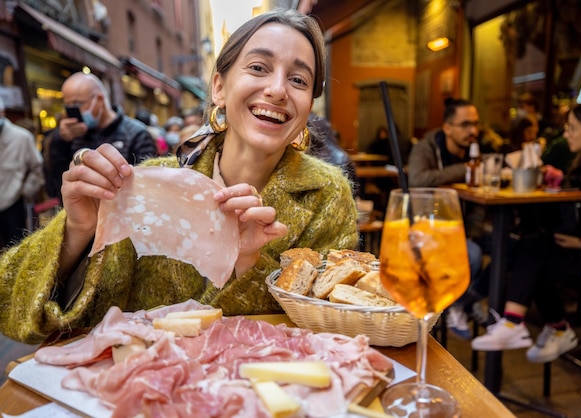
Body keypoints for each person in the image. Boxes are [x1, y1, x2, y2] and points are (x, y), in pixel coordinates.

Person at [0, 9, 358, 344]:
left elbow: (328, 335)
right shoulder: (143, 187)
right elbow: (8, 302)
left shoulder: (326, 195)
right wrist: (78, 234)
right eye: (259, 67)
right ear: (219, 87)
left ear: (308, 104)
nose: (278, 90)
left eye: (298, 79)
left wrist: (248, 266)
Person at [472, 96, 581, 363]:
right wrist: (553, 178)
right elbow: (579, 192)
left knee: (533, 257)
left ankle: (538, 326)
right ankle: (527, 325)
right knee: (529, 247)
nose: (566, 133)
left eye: (572, 128)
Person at [407, 97, 488, 339]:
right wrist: (467, 169)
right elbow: (417, 180)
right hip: (430, 225)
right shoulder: (426, 148)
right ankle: (454, 304)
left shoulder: (475, 149)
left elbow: (478, 201)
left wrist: (471, 233)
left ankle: (465, 301)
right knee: (471, 254)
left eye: (475, 124)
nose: (473, 131)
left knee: (514, 245)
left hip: (465, 227)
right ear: (447, 128)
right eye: (465, 124)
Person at [44, 73, 156, 202]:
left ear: (100, 99)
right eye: (68, 106)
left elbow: (147, 187)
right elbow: (55, 186)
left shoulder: (137, 133)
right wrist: (60, 141)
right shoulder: (70, 136)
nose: (73, 111)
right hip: (83, 213)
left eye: (77, 104)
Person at [0, 98, 45, 250]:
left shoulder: (22, 137)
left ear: (2, 113)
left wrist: (25, 191)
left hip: (13, 204)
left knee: (16, 251)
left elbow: (37, 168)